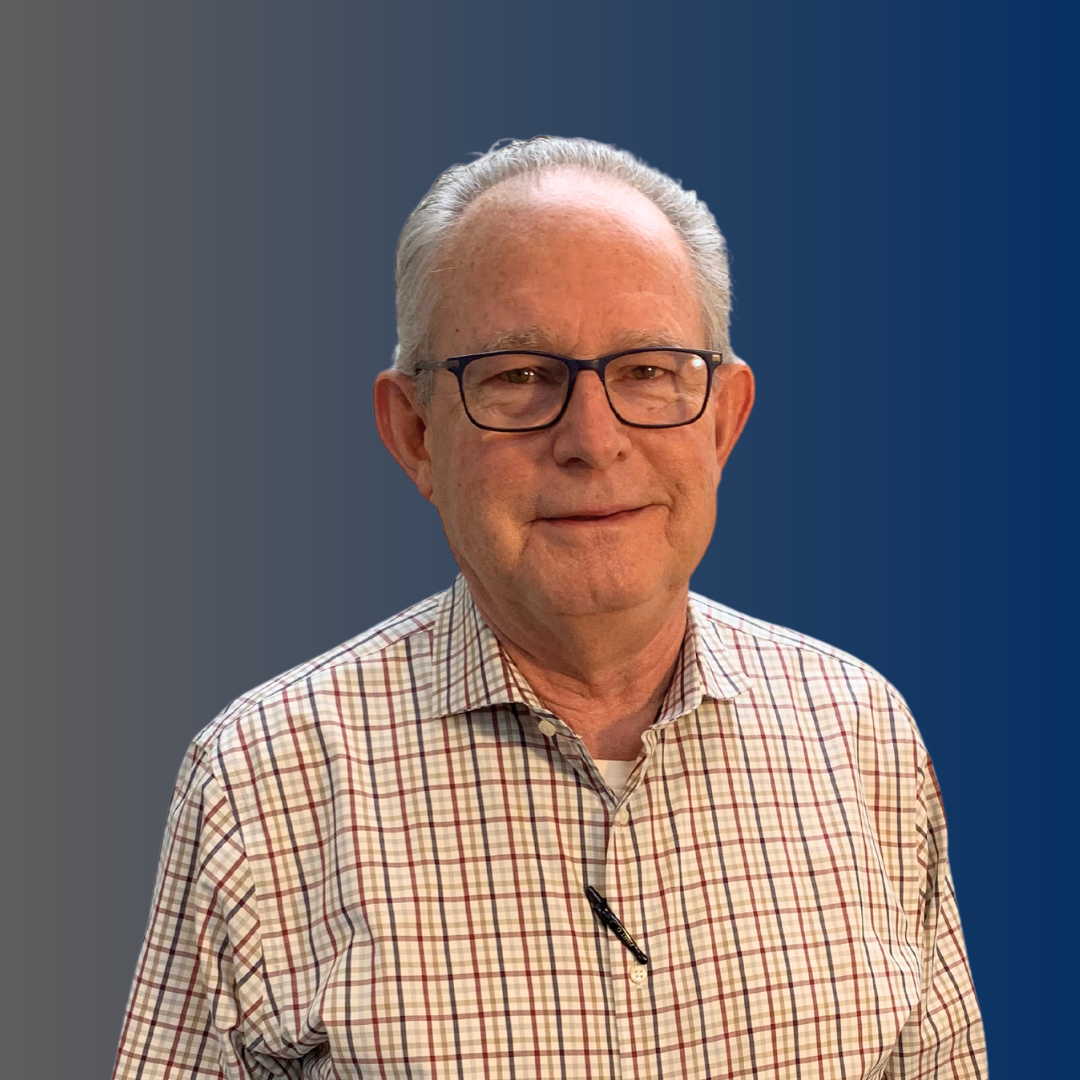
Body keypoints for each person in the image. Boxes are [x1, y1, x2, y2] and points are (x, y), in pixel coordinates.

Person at [113, 136, 986, 1079]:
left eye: (649, 370)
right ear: (415, 433)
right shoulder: (258, 783)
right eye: (520, 375)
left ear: (725, 421)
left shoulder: (864, 735)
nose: (593, 440)